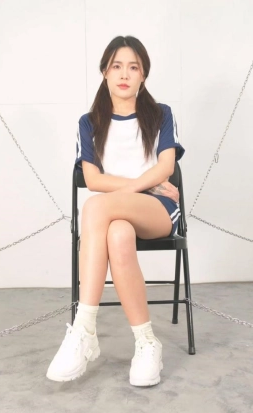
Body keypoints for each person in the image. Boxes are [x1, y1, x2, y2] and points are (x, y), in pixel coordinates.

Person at [46, 36, 185, 387]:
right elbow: (92, 178)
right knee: (118, 233)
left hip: (158, 209)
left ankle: (84, 329)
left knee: (95, 206)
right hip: (117, 213)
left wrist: (148, 188)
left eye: (133, 67)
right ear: (105, 72)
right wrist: (145, 183)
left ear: (143, 75)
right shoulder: (90, 122)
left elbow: (165, 167)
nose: (124, 74)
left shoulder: (161, 114)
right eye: (117, 66)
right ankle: (147, 342)